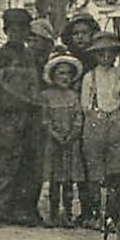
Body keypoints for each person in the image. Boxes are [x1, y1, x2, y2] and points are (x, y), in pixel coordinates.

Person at [0, 8, 44, 227]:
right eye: (13, 29)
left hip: (31, 116)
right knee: (5, 162)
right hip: (9, 116)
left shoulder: (31, 55)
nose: (18, 33)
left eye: (23, 29)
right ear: (6, 31)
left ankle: (23, 210)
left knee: (30, 163)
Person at [79, 27, 120, 229]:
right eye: (101, 53)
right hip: (95, 121)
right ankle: (95, 212)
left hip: (116, 119)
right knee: (95, 170)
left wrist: (119, 112)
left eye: (110, 52)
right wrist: (95, 114)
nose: (106, 56)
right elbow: (85, 104)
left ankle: (112, 213)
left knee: (114, 170)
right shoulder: (90, 77)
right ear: (95, 55)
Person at [39, 54, 85, 227]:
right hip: (53, 143)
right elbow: (44, 119)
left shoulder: (74, 96)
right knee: (54, 180)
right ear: (52, 76)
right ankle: (52, 213)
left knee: (67, 180)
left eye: (68, 74)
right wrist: (55, 134)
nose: (65, 77)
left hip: (70, 143)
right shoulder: (46, 96)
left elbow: (79, 117)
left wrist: (73, 133)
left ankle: (67, 213)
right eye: (60, 74)